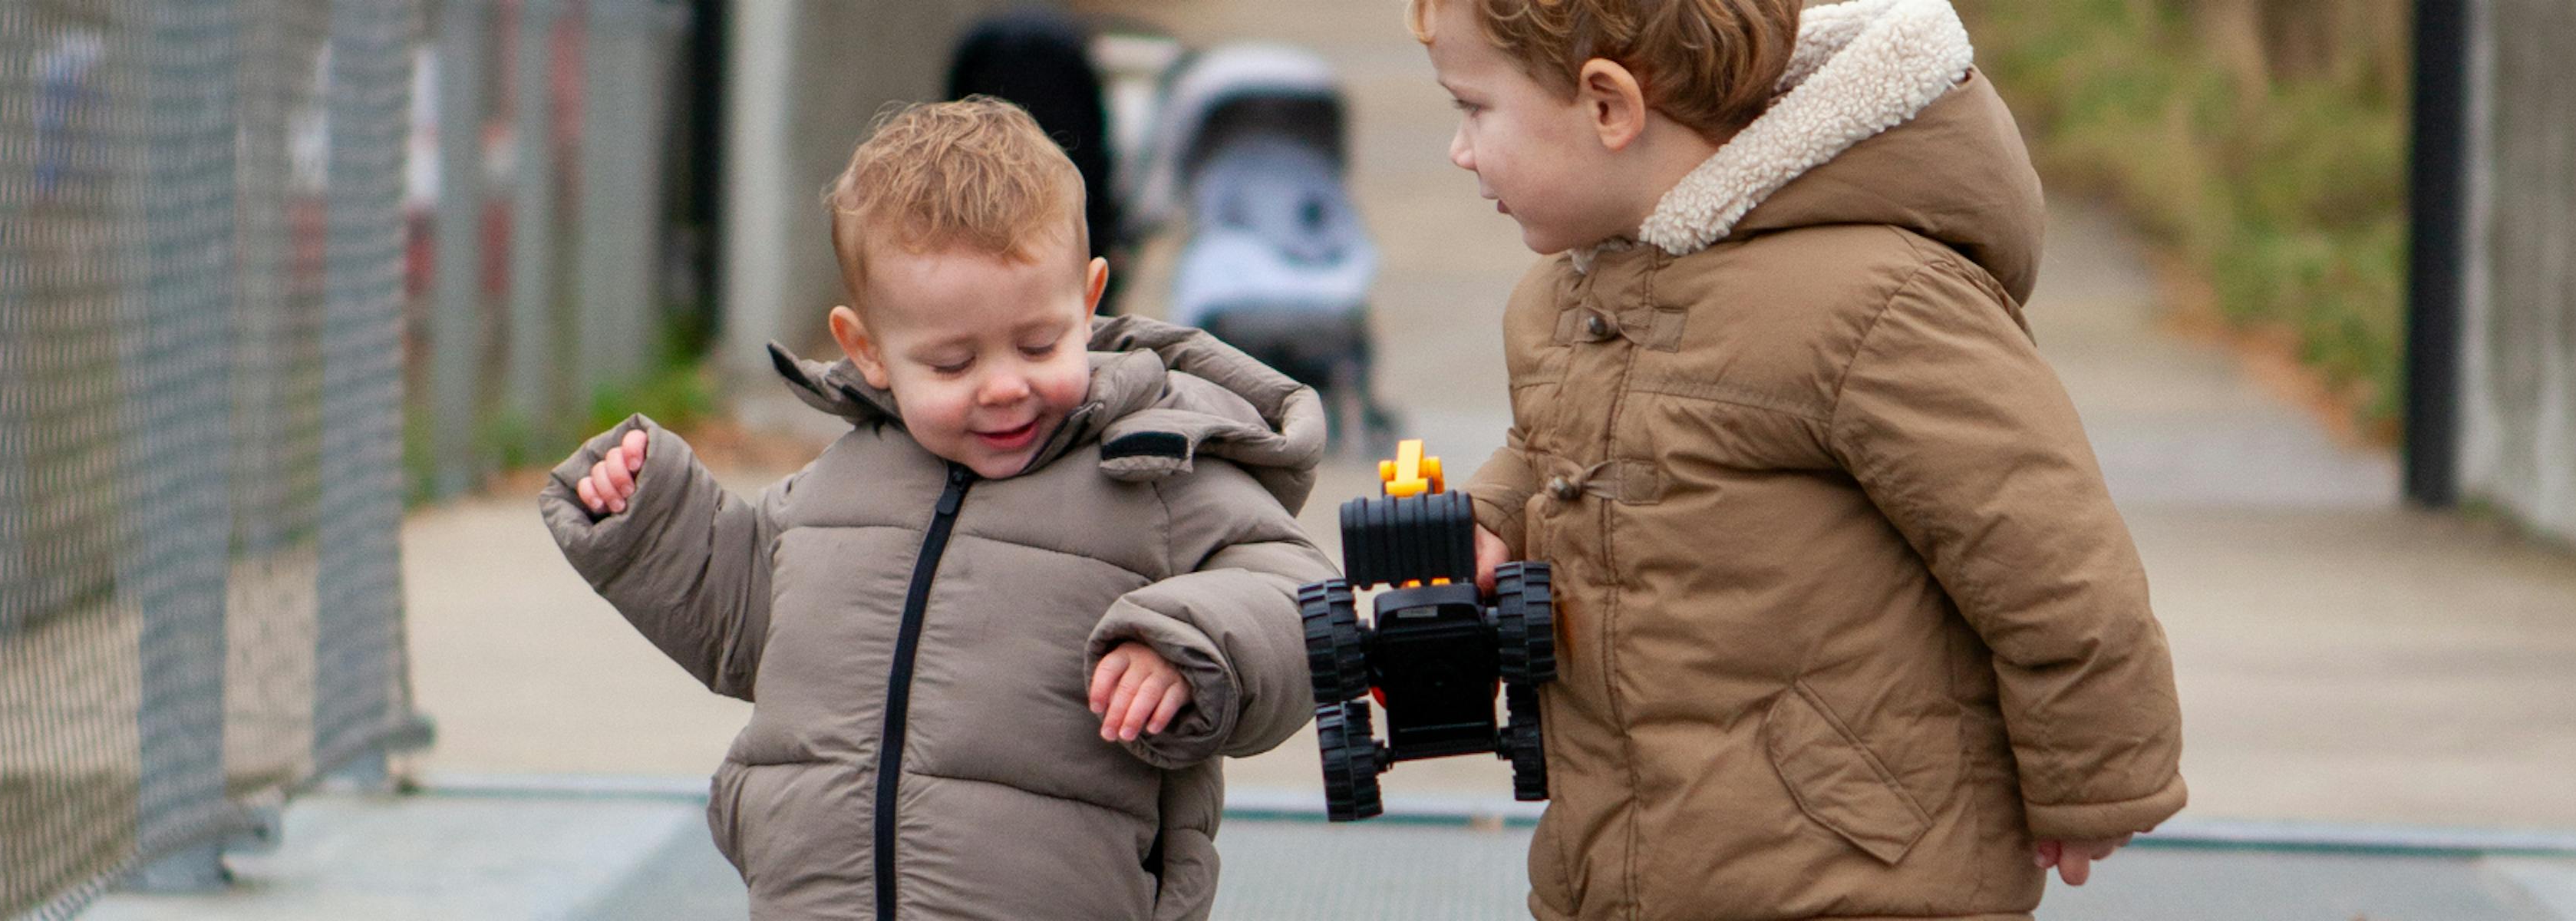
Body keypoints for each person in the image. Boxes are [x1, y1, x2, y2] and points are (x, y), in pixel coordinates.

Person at [1413, 0, 2188, 917]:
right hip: (1635, 860)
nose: (1461, 151)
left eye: (1474, 109)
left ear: (1609, 107)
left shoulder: (1872, 302)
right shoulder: (1566, 302)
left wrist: (2094, 777)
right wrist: (1495, 518)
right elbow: (1553, 446)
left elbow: (2048, 552)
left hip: (1863, 866)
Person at [538, 97, 1327, 920]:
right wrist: (650, 520)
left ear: (1089, 301)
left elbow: (1297, 597)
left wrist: (1196, 645)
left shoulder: (1156, 470)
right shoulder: (841, 485)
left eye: (1038, 343)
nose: (1004, 386)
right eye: (952, 363)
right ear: (867, 351)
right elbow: (747, 622)